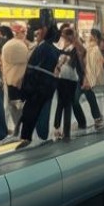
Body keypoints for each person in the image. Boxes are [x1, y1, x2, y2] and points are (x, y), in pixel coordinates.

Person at [15, 21, 61, 150]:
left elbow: (31, 68)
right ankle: (41, 136)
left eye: (41, 30)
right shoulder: (53, 50)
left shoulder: (43, 47)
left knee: (31, 111)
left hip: (37, 85)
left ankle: (28, 137)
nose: (38, 32)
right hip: (47, 86)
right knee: (43, 111)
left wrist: (24, 87)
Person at [1, 23, 30, 130]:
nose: (25, 34)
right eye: (23, 32)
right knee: (20, 109)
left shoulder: (7, 45)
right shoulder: (20, 45)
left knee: (11, 108)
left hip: (9, 81)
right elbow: (28, 60)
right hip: (20, 83)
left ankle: (15, 129)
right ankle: (20, 130)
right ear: (17, 33)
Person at [80, 29, 104, 132]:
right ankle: (97, 119)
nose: (88, 36)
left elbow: (93, 66)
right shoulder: (90, 47)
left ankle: (97, 119)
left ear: (94, 36)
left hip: (88, 78)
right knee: (90, 98)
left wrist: (89, 81)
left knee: (89, 97)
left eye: (90, 34)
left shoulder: (94, 49)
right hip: (85, 78)